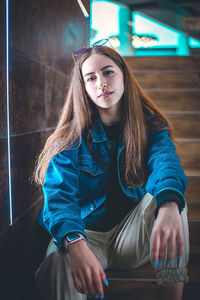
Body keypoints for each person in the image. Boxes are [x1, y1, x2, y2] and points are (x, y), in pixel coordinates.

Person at [33, 39, 189, 300]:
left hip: (130, 239)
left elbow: (166, 164)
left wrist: (169, 205)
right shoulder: (70, 140)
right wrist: (75, 242)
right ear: (83, 88)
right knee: (57, 264)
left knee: (170, 197)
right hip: (86, 237)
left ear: (124, 76)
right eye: (90, 78)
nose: (101, 83)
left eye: (108, 72)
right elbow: (59, 198)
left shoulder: (150, 126)